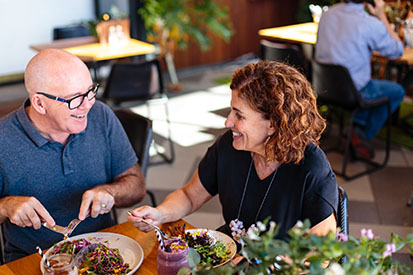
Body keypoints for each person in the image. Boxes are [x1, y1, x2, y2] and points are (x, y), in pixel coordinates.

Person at [128, 61, 338, 243]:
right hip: (232, 256)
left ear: (273, 123)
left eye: (239, 115)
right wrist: (159, 213)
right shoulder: (229, 146)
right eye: (231, 111)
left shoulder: (311, 166)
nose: (228, 122)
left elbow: (320, 250)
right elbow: (189, 196)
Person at [0, 49, 146, 263]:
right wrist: (5, 206)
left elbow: (137, 186)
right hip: (31, 258)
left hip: (103, 251)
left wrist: (110, 192)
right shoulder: (3, 138)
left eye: (90, 91)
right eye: (76, 98)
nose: (88, 105)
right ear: (40, 103)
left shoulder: (102, 116)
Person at [315, 0, 405, 158]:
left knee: (366, 82)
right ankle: (360, 135)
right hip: (354, 93)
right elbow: (397, 51)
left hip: (325, 89)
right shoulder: (368, 23)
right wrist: (381, 15)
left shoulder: (327, 15)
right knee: (397, 91)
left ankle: (358, 125)